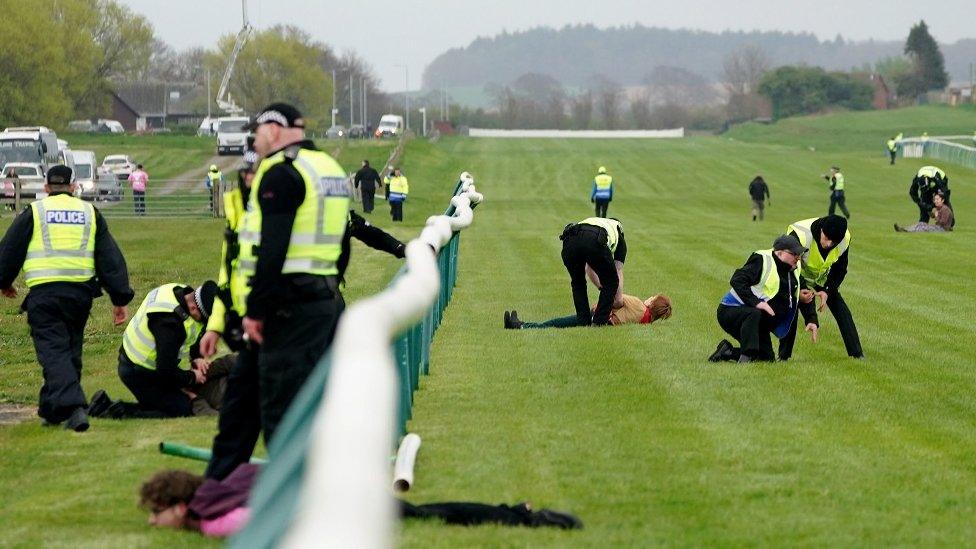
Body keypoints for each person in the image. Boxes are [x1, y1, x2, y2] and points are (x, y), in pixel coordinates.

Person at [198, 103, 404, 481]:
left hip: (284, 308)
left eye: (256, 133)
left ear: (273, 131)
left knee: (282, 409)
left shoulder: (281, 172)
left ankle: (300, 498)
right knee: (242, 403)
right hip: (318, 297)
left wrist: (256, 310)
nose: (254, 142)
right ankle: (217, 488)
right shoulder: (328, 168)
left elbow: (271, 248)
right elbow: (343, 240)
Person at [0, 165, 133, 431]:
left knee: (54, 352)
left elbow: (10, 248)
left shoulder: (35, 212)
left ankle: (74, 408)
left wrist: (3, 281)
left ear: (46, 187)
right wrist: (119, 298)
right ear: (74, 187)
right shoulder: (89, 213)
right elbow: (109, 259)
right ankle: (51, 409)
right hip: (79, 296)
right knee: (70, 350)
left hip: (45, 295)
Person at [139, 464, 581, 538]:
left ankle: (527, 519)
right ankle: (518, 515)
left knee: (430, 515)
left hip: (337, 501)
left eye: (156, 516)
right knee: (428, 514)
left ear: (180, 505)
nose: (154, 525)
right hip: (337, 489)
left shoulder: (211, 517)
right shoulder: (223, 483)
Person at [85, 281, 219, 419]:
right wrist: (192, 378)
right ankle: (109, 410)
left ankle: (105, 405)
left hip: (140, 364)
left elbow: (197, 331)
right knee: (181, 408)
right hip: (138, 373)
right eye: (203, 319)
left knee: (176, 400)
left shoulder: (181, 292)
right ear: (193, 308)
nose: (203, 323)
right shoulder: (169, 324)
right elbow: (166, 369)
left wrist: (197, 357)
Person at [709, 235, 819, 363]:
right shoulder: (762, 260)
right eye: (794, 253)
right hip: (731, 311)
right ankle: (746, 357)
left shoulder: (793, 268)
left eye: (799, 254)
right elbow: (737, 280)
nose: (798, 257)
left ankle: (727, 351)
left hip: (757, 321)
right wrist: (757, 303)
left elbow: (804, 293)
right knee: (754, 313)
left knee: (766, 358)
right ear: (780, 253)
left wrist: (811, 319)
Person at [785, 215, 863, 359]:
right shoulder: (800, 235)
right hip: (795, 274)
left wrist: (826, 290)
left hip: (821, 278)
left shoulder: (843, 238)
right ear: (821, 229)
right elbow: (789, 265)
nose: (828, 244)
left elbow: (840, 269)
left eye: (833, 242)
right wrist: (802, 291)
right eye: (826, 238)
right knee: (792, 310)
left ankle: (857, 355)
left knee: (842, 310)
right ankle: (784, 357)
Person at [559, 217, 626, 326]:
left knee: (578, 282)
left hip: (569, 241)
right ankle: (599, 322)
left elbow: (590, 267)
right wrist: (617, 299)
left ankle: (583, 321)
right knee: (611, 282)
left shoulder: (595, 222)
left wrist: (602, 288)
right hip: (594, 240)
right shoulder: (618, 232)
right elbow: (617, 270)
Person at [505, 293, 671, 329]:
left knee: (558, 323)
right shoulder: (646, 320)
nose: (649, 297)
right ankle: (520, 324)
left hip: (598, 318)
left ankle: (521, 326)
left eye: (653, 297)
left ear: (652, 303)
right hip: (605, 323)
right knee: (561, 323)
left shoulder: (638, 305)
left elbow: (616, 297)